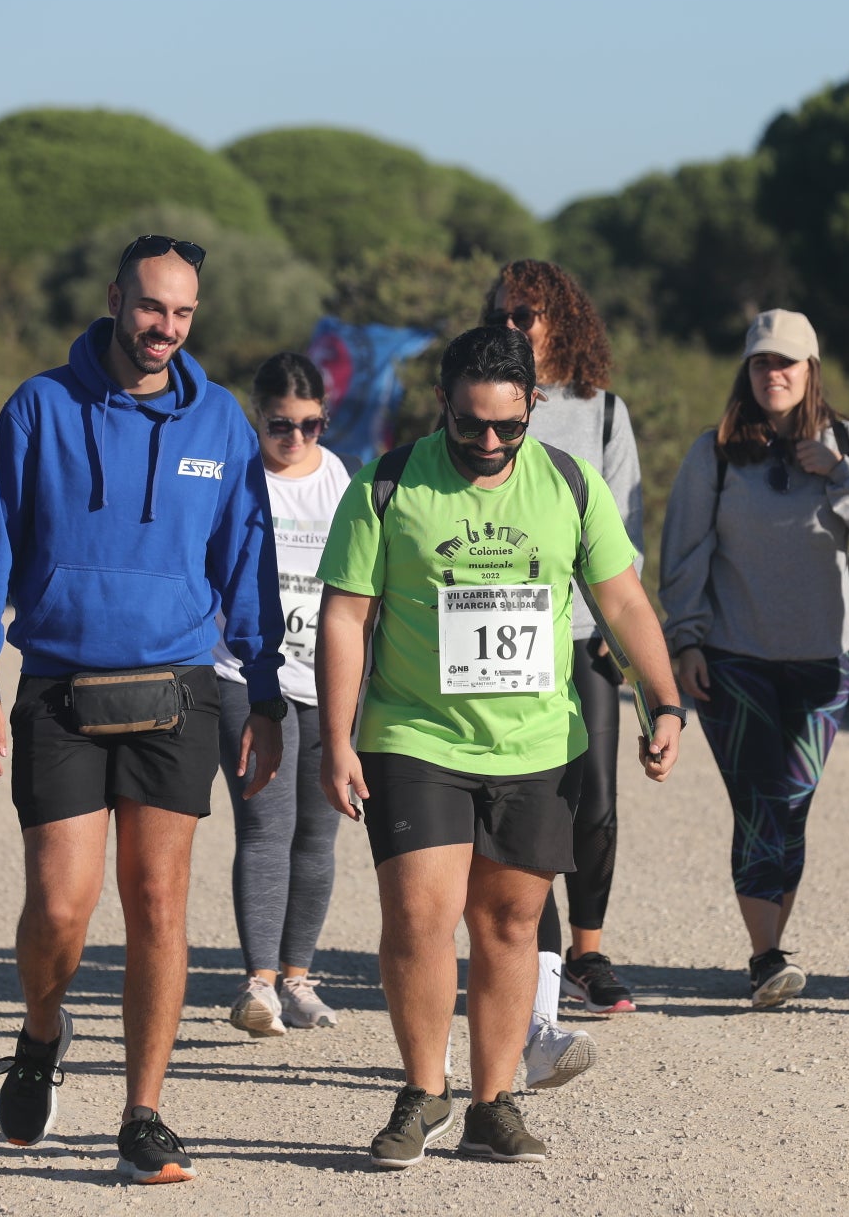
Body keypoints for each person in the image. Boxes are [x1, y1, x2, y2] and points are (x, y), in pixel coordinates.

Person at [0, 235, 284, 1185]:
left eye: (183, 314)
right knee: (61, 907)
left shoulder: (220, 424)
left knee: (157, 903)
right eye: (150, 309)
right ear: (114, 299)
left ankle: (144, 1112)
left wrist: (262, 689)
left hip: (177, 686)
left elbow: (247, 567)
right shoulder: (37, 408)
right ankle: (41, 1032)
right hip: (59, 685)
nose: (165, 330)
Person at [316, 325, 684, 1169]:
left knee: (512, 922)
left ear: (534, 410)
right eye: (471, 425)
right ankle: (421, 1091)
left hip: (533, 743)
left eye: (507, 428)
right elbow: (346, 615)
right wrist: (335, 738)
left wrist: (663, 701)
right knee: (418, 917)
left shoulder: (568, 485)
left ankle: (494, 1102)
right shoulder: (388, 483)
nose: (488, 443)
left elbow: (623, 603)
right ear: (442, 405)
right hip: (415, 734)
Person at [659, 309, 849, 1008]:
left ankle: (770, 951)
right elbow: (682, 555)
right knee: (761, 802)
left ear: (810, 371)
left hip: (822, 665)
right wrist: (684, 640)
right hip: (734, 660)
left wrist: (841, 475)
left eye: (788, 363)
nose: (775, 374)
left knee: (792, 805)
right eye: (764, 362)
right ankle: (766, 955)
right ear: (748, 370)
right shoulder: (712, 453)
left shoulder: (848, 444)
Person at [487, 259, 643, 1075]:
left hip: (581, 634)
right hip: (497, 635)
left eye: (530, 317)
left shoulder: (602, 413)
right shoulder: (480, 401)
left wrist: (627, 633)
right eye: (506, 317)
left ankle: (588, 951)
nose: (517, 330)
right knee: (528, 805)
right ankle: (526, 960)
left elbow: (626, 523)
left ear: (562, 321)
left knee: (598, 804)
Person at [214, 353, 352, 1037]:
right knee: (266, 823)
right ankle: (259, 983)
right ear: (256, 417)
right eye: (279, 426)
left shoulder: (339, 479)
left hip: (324, 678)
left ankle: (299, 978)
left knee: (317, 833)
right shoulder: (237, 479)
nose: (295, 439)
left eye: (310, 425)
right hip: (244, 673)